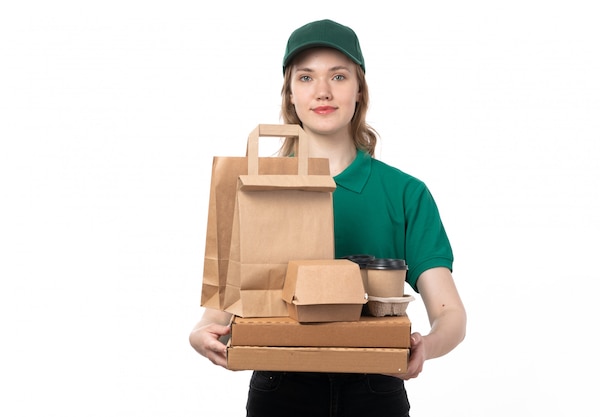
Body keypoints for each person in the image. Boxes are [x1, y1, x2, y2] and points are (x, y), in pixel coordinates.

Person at [189, 19, 467, 417]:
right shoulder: (255, 186)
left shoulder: (405, 193)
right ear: (290, 94)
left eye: (338, 76)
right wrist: (201, 333)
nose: (322, 91)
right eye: (306, 77)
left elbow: (450, 314)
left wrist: (428, 345)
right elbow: (223, 304)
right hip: (281, 382)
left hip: (374, 384)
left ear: (359, 90)